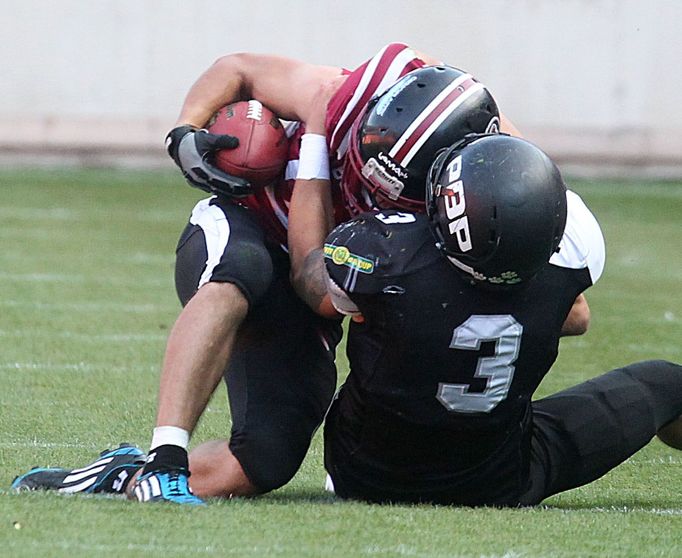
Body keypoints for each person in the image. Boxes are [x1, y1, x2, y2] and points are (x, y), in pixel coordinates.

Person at [12, 43, 516, 504]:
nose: (365, 175)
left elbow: (316, 288)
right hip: (250, 224)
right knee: (240, 271)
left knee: (262, 462)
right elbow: (236, 69)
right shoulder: (340, 96)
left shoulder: (486, 178)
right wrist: (186, 131)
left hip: (316, 275)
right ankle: (166, 457)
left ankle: (121, 473)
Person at [287, 132, 682, 506]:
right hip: (499, 478)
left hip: (364, 472)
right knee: (669, 383)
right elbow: (576, 318)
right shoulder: (566, 267)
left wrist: (315, 145)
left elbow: (314, 283)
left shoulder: (385, 255)